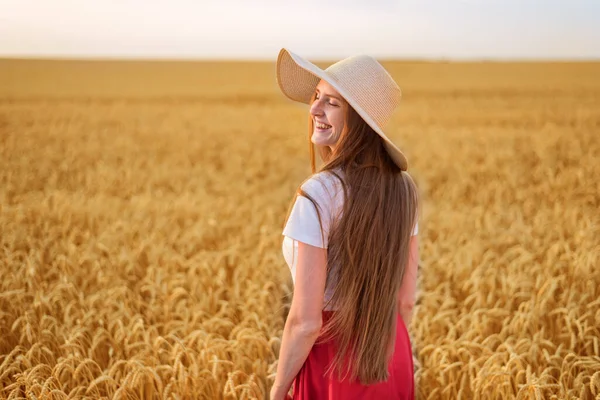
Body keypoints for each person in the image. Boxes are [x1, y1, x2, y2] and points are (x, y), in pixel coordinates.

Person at [270, 48, 420, 400]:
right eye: (316, 97)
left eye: (332, 103)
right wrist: (382, 346)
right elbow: (406, 302)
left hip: (332, 363)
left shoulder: (317, 193)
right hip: (389, 354)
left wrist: (278, 389)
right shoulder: (404, 190)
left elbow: (306, 322)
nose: (314, 110)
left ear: (359, 120)